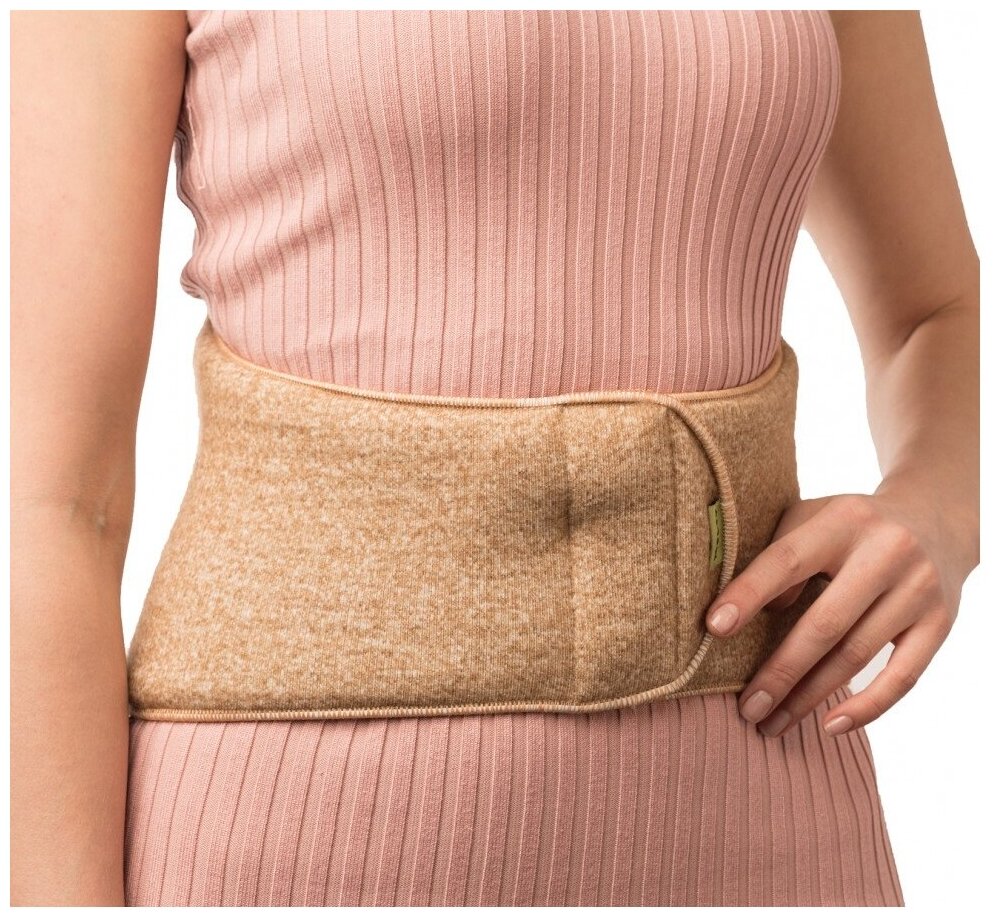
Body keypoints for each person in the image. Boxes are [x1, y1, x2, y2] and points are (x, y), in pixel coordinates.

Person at [10, 9, 979, 907]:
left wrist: (938, 504)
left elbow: (934, 308)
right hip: (294, 826)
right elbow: (54, 504)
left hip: (773, 806)